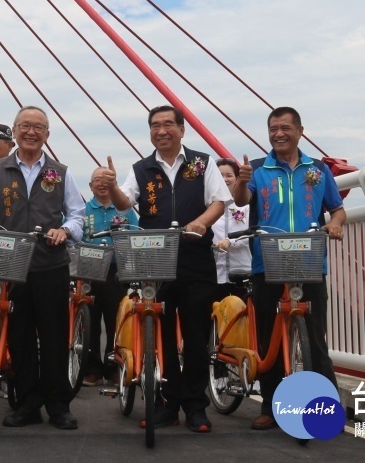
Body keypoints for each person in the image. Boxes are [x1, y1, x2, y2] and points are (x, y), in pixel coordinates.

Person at [95, 105, 229, 433]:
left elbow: (219, 200)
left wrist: (200, 222)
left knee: (196, 336)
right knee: (161, 335)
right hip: (156, 260)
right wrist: (112, 186)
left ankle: (196, 406)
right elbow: (125, 202)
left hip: (196, 258)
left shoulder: (202, 162)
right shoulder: (142, 168)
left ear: (182, 129)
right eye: (155, 125)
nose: (162, 130)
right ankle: (166, 404)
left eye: (169, 124)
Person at [0, 106, 85, 430]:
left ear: (47, 134)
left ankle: (58, 405)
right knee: (19, 336)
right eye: (25, 126)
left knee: (55, 335)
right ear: (15, 132)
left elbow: (77, 215)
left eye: (38, 127)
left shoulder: (60, 171)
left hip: (50, 263)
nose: (31, 132)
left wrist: (66, 231)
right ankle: (28, 402)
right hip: (10, 265)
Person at [232, 106, 345, 431]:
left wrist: (335, 225)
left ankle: (326, 408)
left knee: (315, 337)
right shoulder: (257, 168)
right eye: (273, 129)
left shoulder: (318, 169)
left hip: (310, 261)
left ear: (300, 131)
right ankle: (270, 406)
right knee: (269, 337)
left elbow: (337, 210)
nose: (278, 134)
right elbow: (241, 200)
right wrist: (240, 182)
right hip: (266, 261)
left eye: (285, 128)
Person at [80, 166, 138, 386]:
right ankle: (92, 368)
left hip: (116, 272)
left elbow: (135, 235)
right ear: (90, 186)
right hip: (88, 271)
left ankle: (113, 367)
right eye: (97, 180)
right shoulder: (82, 210)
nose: (102, 184)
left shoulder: (125, 209)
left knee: (116, 320)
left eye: (106, 179)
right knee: (89, 321)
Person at [211, 157, 251, 296]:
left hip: (243, 273)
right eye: (220, 175)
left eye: (229, 175)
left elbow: (251, 234)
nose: (224, 179)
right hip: (215, 275)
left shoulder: (246, 206)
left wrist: (230, 242)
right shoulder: (208, 206)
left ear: (237, 178)